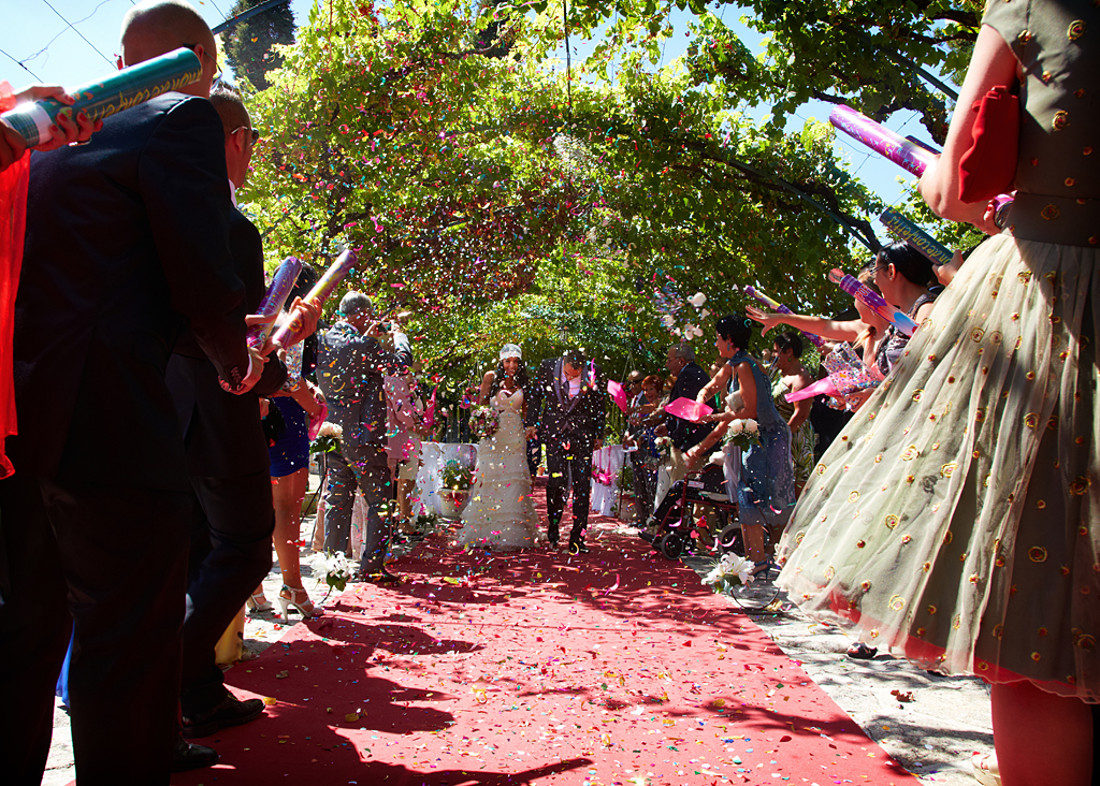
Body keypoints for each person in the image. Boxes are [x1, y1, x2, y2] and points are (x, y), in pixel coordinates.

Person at [779, 1, 1099, 783]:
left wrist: (963, 180)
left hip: (1054, 299)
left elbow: (955, 188)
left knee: (1036, 626)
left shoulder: (1030, 8)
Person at [0, 1, 263, 780]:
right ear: (200, 65)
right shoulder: (180, 117)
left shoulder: (39, 142)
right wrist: (233, 360)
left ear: (119, 63)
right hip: (109, 421)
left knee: (23, 635)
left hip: (17, 424)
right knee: (126, 640)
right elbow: (199, 276)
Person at [167, 81, 317, 744]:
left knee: (197, 551)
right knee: (247, 542)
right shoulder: (225, 224)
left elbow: (241, 327)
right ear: (235, 141)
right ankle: (164, 672)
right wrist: (278, 377)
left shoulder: (163, 213)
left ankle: (196, 690)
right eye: (251, 142)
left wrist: (280, 337)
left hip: (171, 416)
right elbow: (228, 340)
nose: (252, 154)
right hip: (214, 415)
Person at [318, 291, 412, 582]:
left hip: (331, 431)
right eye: (369, 316)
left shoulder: (321, 340)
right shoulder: (364, 344)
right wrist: (399, 336)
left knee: (339, 500)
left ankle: (334, 567)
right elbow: (401, 363)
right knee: (381, 499)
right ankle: (371, 566)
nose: (371, 321)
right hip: (362, 434)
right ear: (359, 315)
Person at [689, 314, 794, 572]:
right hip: (750, 435)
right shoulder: (734, 364)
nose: (715, 344)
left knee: (755, 496)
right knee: (745, 494)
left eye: (717, 339)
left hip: (766, 437)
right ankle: (753, 559)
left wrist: (712, 416)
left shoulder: (746, 366)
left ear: (729, 340)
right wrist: (701, 398)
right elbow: (713, 385)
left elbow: (749, 411)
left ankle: (760, 559)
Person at [252, 264, 325, 618]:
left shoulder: (263, 317)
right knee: (287, 509)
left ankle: (253, 587)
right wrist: (315, 407)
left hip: (264, 418)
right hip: (287, 419)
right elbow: (290, 380)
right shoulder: (294, 322)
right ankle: (292, 586)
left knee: (261, 505)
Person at [456, 344, 540, 550]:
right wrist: (483, 421)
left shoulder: (523, 381)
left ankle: (511, 531)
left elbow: (528, 410)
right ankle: (485, 530)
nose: (511, 365)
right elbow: (481, 405)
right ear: (501, 361)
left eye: (515, 361)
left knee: (513, 480)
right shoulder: (490, 377)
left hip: (515, 434)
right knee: (490, 478)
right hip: (493, 434)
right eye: (508, 360)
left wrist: (530, 427)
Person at [526, 349, 606, 553]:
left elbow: (599, 404)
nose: (571, 377)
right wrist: (532, 423)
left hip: (583, 435)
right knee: (556, 483)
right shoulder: (546, 366)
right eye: (569, 373)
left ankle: (578, 538)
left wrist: (599, 433)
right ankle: (553, 531)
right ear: (563, 363)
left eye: (576, 375)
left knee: (581, 487)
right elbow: (535, 396)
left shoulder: (594, 371)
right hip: (554, 433)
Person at [649, 343, 710, 518]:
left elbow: (686, 412)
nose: (667, 364)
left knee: (681, 491)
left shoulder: (689, 376)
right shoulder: (692, 373)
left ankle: (675, 532)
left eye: (669, 360)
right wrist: (667, 426)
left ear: (681, 361)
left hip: (690, 444)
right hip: (692, 441)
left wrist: (675, 437)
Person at [769, 331, 815, 496]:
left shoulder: (802, 378)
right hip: (776, 435)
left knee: (794, 494)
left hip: (794, 439)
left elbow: (800, 414)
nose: (774, 355)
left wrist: (780, 439)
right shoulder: (776, 373)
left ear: (789, 352)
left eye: (776, 351)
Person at [622, 374, 662, 522]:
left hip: (651, 449)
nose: (632, 385)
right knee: (639, 484)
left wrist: (639, 435)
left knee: (651, 485)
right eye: (629, 383)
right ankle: (641, 517)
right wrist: (628, 434)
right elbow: (632, 423)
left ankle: (652, 519)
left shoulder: (654, 403)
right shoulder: (634, 400)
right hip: (637, 448)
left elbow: (651, 416)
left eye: (651, 389)